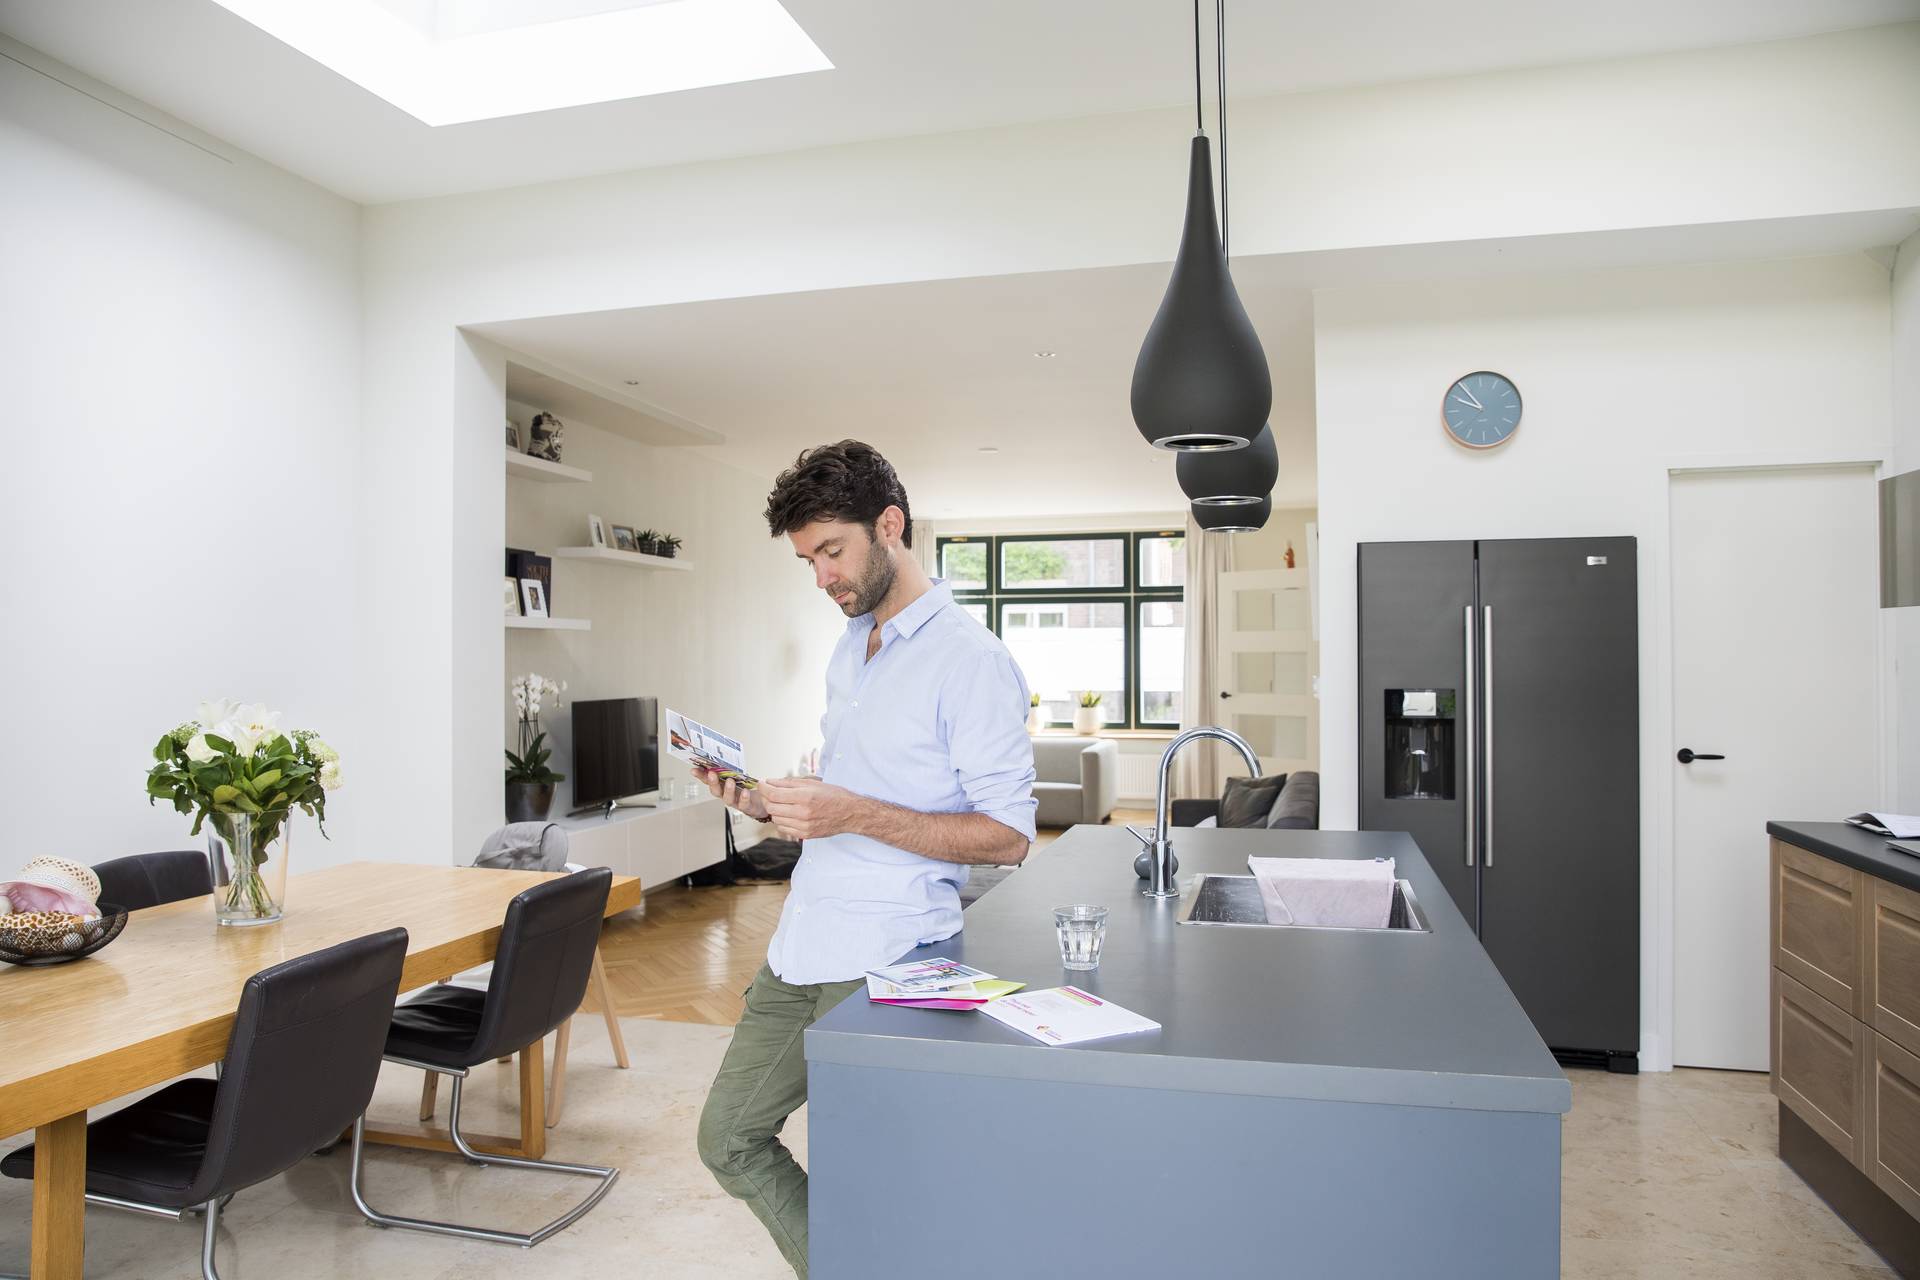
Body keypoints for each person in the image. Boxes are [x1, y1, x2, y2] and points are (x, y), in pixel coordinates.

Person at [694, 440, 1036, 1277]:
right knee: (728, 1138)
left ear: (890, 526)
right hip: (800, 942)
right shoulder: (852, 647)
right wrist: (767, 806)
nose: (820, 578)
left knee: (871, 1170)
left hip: (886, 959)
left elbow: (1009, 836)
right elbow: (848, 799)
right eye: (808, 560)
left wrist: (851, 811)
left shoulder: (972, 660)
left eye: (832, 553)